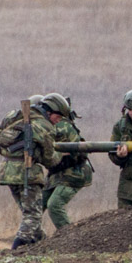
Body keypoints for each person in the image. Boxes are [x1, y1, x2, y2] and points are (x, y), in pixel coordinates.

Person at [0, 97, 61, 249]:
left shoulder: (14, 116)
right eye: (58, 116)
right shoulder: (44, 125)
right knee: (33, 214)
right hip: (27, 173)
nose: (58, 121)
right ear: (49, 112)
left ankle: (42, 245)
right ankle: (17, 248)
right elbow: (49, 159)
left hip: (6, 172)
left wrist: (11, 156)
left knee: (30, 214)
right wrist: (60, 155)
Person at [40, 93, 94, 230]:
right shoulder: (48, 125)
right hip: (57, 173)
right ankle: (32, 236)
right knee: (37, 206)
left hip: (73, 172)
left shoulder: (60, 125)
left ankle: (70, 237)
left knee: (54, 205)